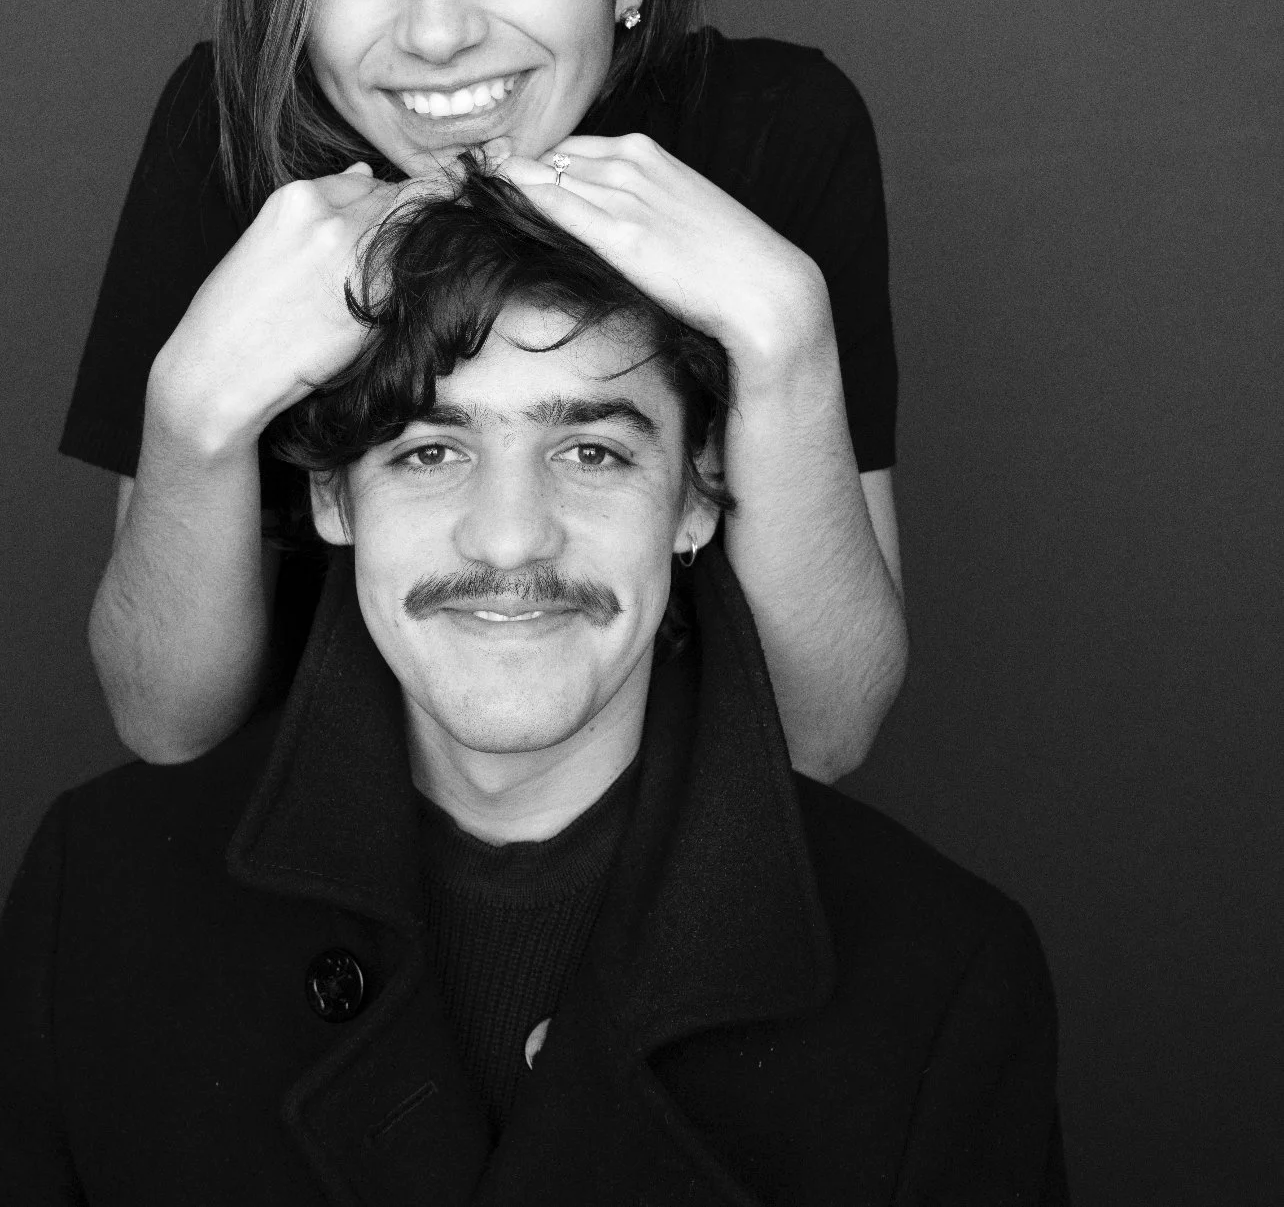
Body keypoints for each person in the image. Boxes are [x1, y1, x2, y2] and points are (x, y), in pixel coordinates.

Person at [5, 167, 1064, 1204]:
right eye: (428, 452)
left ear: (699, 500)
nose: (511, 534)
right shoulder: (93, 909)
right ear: (332, 497)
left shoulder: (943, 978)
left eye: (594, 452)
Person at [61, 0, 907, 778]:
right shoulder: (229, 137)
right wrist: (194, 412)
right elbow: (165, 720)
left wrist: (785, 337)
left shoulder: (779, 131)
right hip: (318, 864)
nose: (437, 31)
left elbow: (826, 733)